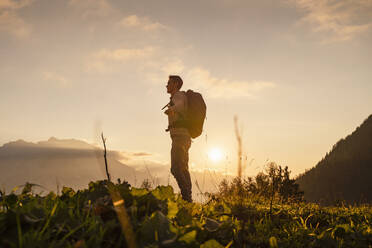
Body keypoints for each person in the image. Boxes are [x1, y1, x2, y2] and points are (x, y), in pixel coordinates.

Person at [164, 75, 192, 202]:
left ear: (175, 84)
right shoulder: (178, 96)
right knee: (183, 167)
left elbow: (180, 105)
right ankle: (188, 197)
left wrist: (172, 109)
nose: (166, 85)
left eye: (169, 83)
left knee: (175, 168)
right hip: (184, 137)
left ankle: (186, 197)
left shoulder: (178, 96)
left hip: (180, 137)